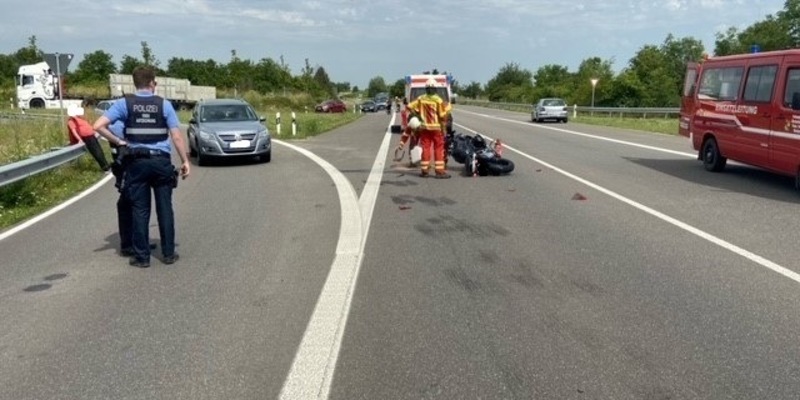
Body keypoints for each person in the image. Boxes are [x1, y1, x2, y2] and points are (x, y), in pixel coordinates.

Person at [93, 66, 190, 268]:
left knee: (140, 209)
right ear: (152, 83)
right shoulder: (164, 104)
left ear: (135, 83)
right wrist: (184, 161)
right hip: (161, 161)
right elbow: (177, 136)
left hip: (136, 163)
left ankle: (142, 257)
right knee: (165, 209)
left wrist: (119, 141)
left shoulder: (124, 103)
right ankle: (169, 253)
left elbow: (98, 126)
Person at [405, 78, 451, 178]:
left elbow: (408, 106)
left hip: (424, 128)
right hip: (436, 129)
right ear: (435, 89)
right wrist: (447, 110)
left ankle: (424, 171)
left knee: (425, 148)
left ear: (426, 89)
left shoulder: (421, 99)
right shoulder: (438, 100)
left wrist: (416, 115)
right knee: (438, 148)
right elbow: (442, 116)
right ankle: (439, 172)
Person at [67, 103, 111, 171]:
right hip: (90, 134)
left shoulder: (71, 121)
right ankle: (105, 165)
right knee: (98, 150)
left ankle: (105, 167)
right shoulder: (79, 119)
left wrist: (79, 140)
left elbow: (74, 131)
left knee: (96, 152)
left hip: (86, 136)